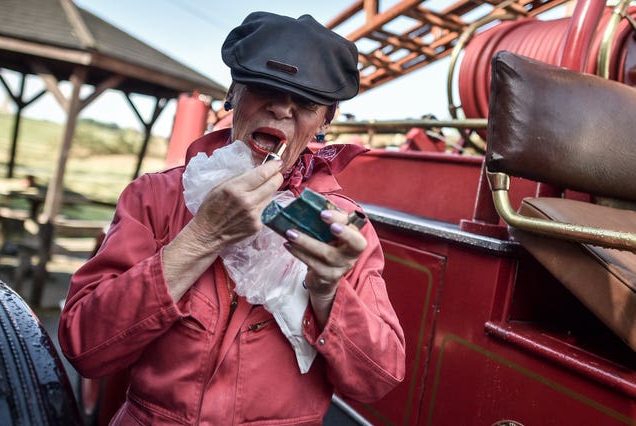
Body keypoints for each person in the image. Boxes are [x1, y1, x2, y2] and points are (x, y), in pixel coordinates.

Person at [59, 11, 405, 425]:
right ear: (233, 92)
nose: (281, 109)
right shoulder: (156, 196)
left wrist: (329, 291)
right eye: (265, 88)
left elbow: (378, 379)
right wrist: (203, 235)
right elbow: (84, 345)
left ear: (324, 122)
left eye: (307, 102)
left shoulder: (342, 224)